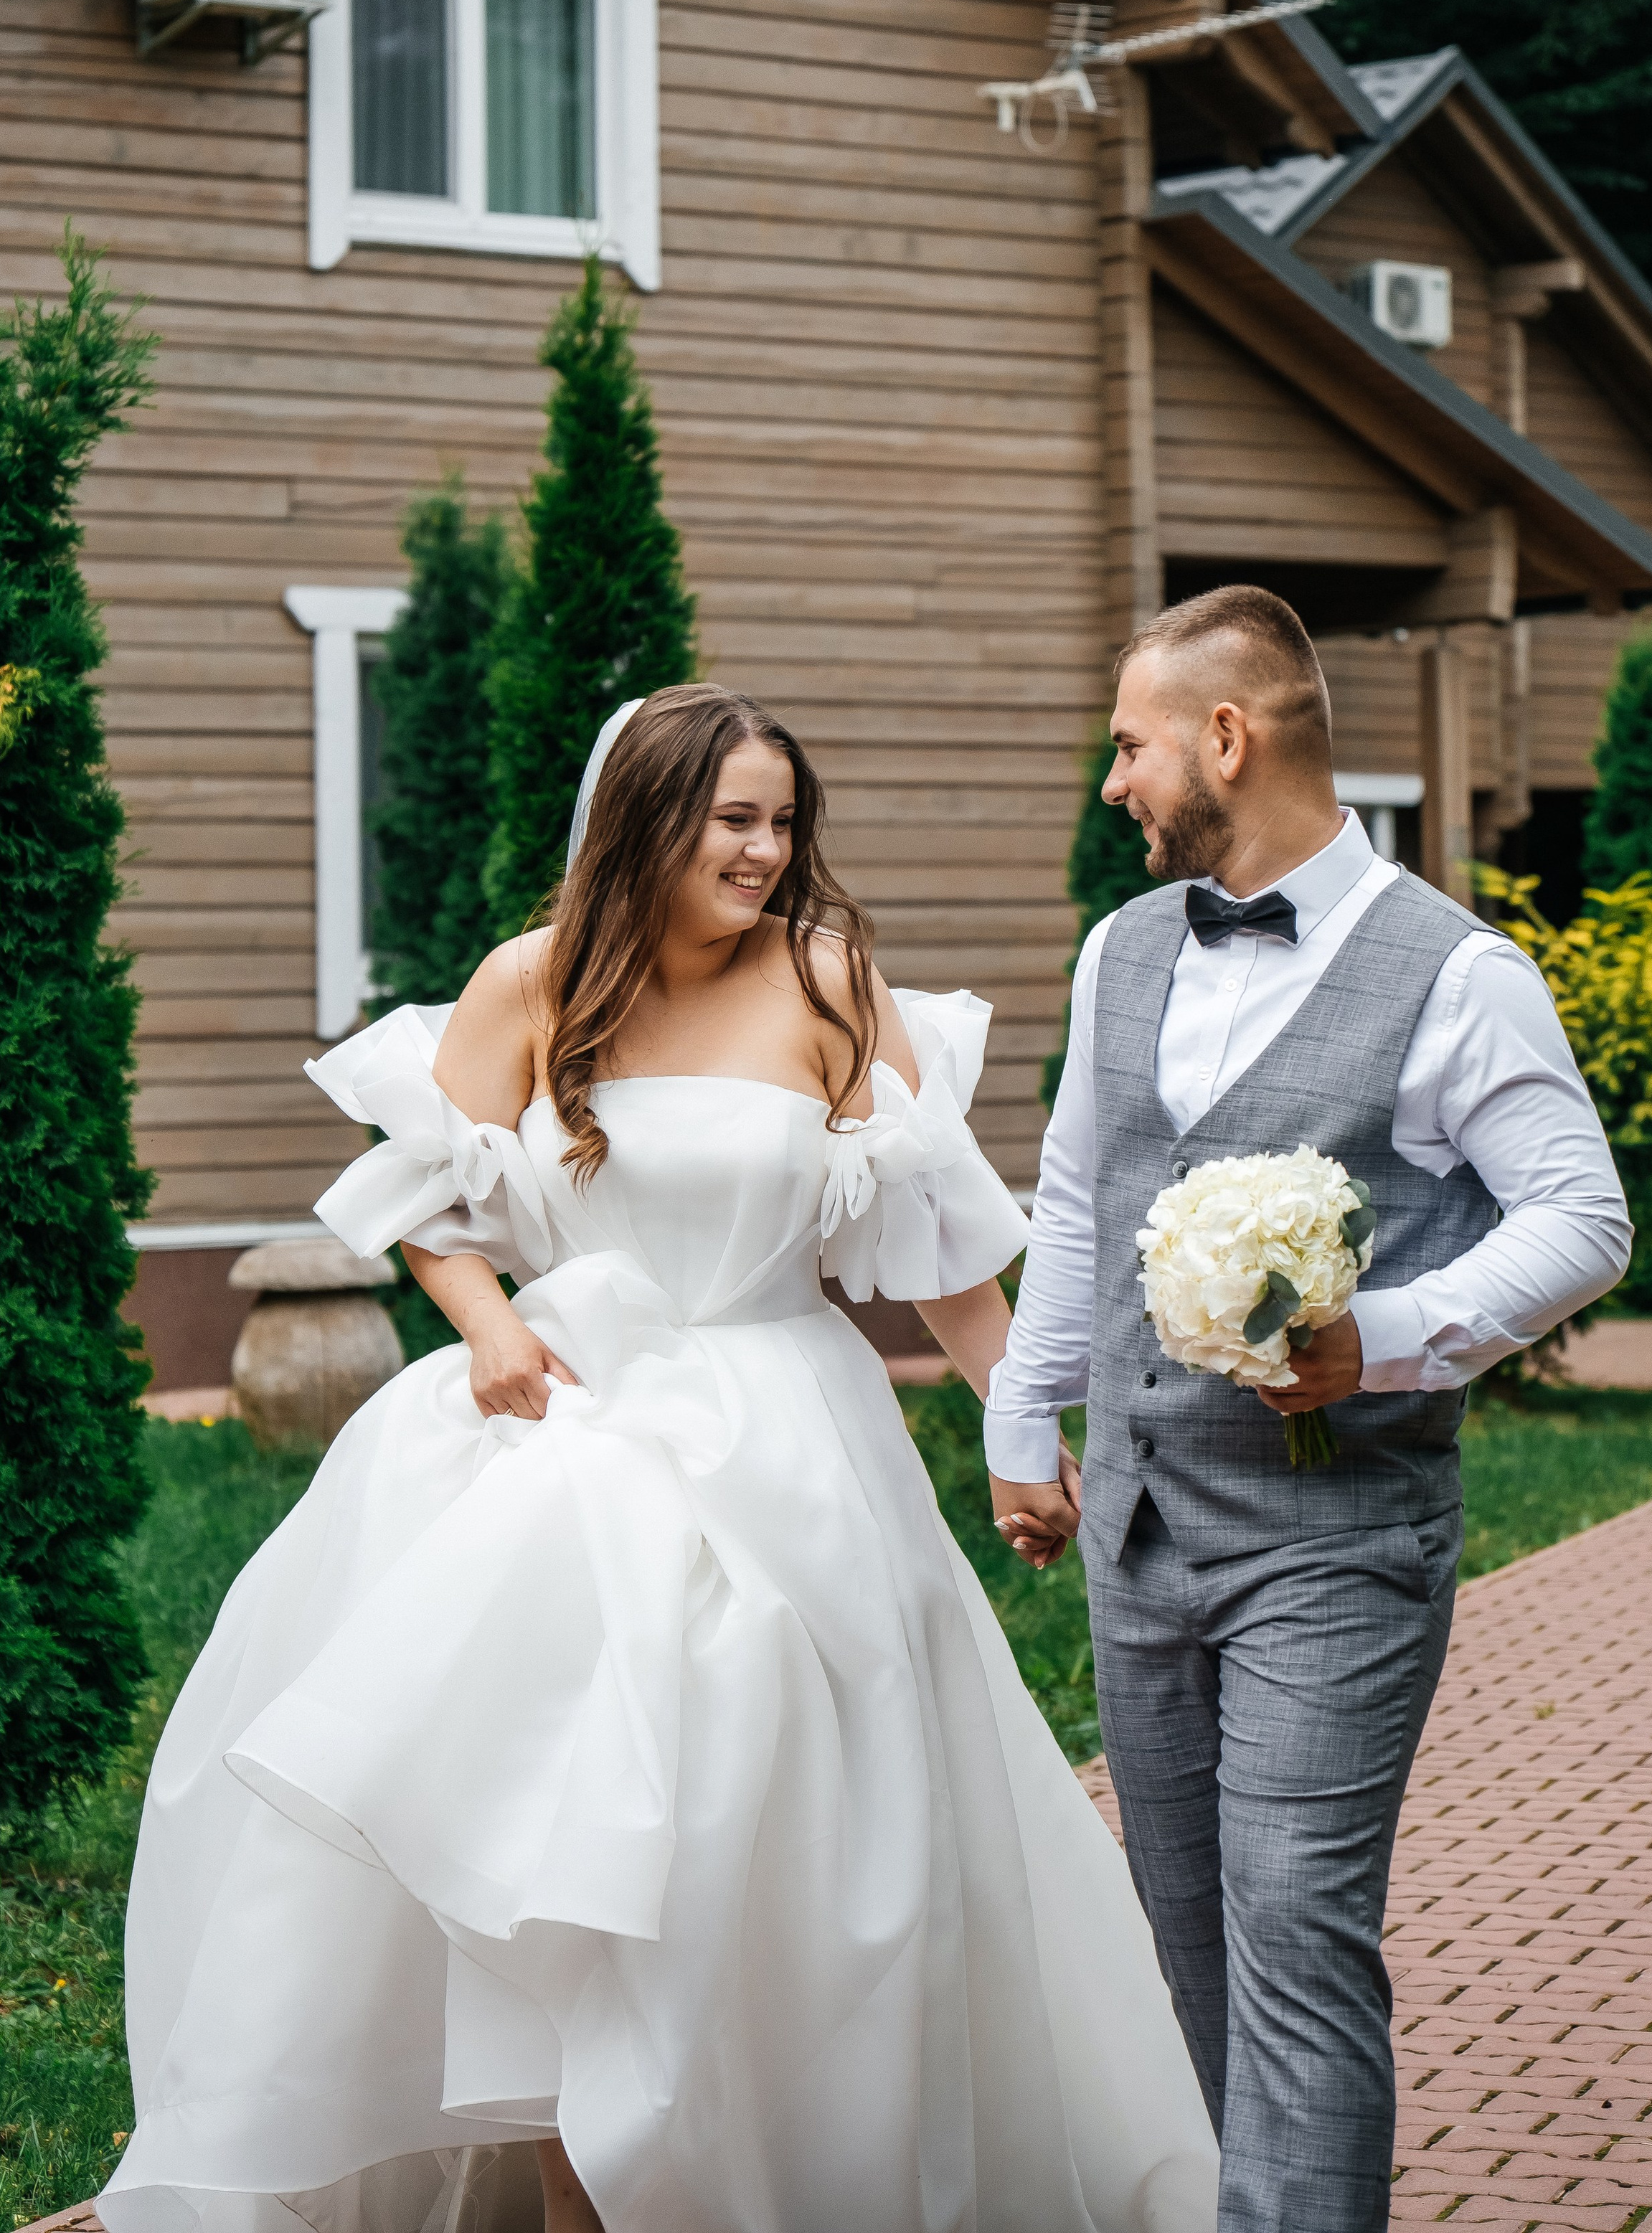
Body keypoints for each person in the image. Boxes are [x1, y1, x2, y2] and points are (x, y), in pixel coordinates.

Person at [99, 681, 1219, 2233]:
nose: (764, 853)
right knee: (561, 1833)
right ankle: (589, 2193)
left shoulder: (829, 983)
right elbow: (421, 1184)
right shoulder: (534, 980)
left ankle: (777, 2157)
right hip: (564, 1436)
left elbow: (939, 1247)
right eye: (731, 820)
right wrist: (485, 1320)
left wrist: (1009, 1420)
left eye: (781, 821)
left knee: (785, 1827)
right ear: (644, 818)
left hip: (791, 1443)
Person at [984, 585, 1632, 2233]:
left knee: (1294, 1920)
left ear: (1226, 736)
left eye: (1129, 744)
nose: (1111, 781)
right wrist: (1019, 1412)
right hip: (1136, 1528)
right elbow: (1075, 1201)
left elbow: (1579, 1217)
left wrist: (1391, 1332)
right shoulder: (1121, 945)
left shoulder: (1454, 972)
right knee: (1184, 1928)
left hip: (1335, 1541)